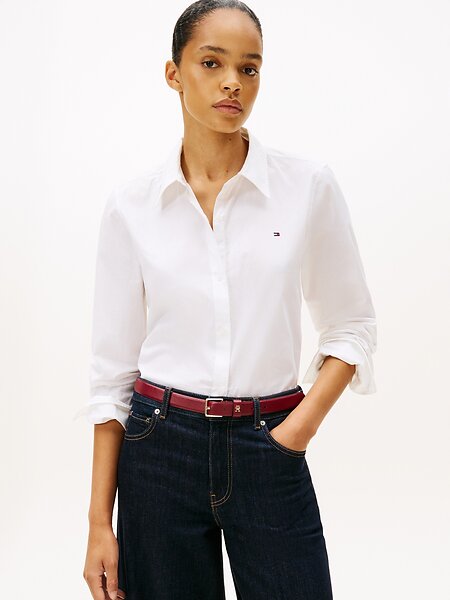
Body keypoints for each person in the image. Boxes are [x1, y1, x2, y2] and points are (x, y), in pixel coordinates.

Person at [74, 1, 377, 598]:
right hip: (158, 448)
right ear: (174, 73)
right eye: (212, 63)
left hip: (270, 442)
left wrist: (295, 433)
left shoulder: (306, 186)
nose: (233, 81)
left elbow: (352, 327)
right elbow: (112, 376)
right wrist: (98, 525)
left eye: (249, 67)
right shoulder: (132, 206)